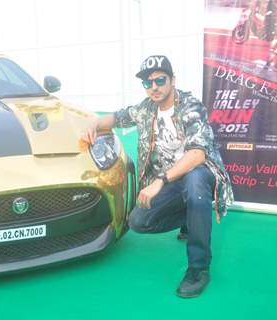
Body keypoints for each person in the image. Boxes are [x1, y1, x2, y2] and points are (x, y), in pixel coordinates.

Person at [81, 55, 234, 298]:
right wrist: (95, 123)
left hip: (200, 174)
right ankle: (193, 216)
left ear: (172, 80)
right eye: (147, 83)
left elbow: (197, 154)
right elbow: (117, 117)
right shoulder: (145, 109)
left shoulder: (190, 106)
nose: (154, 87)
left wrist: (160, 181)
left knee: (194, 183)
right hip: (173, 182)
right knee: (138, 222)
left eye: (160, 80)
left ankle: (198, 268)